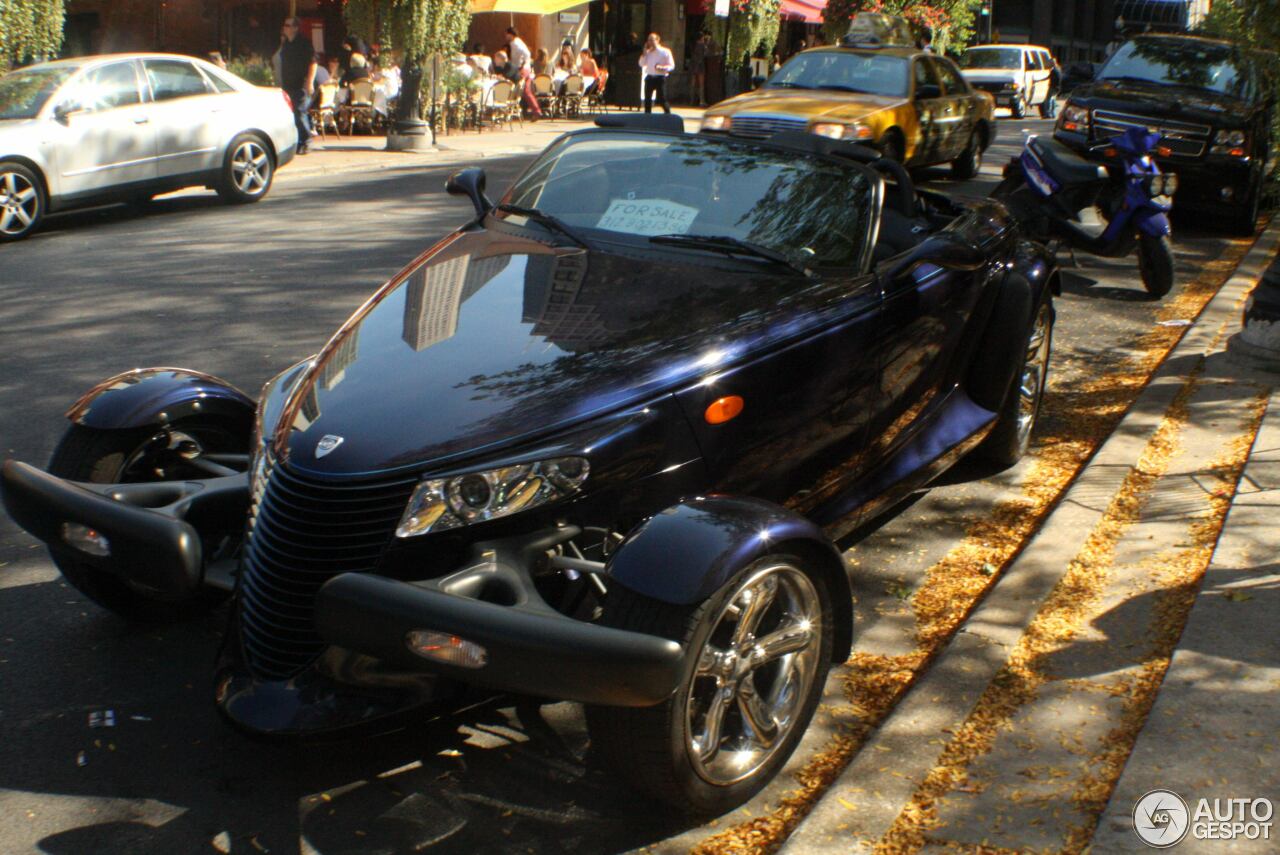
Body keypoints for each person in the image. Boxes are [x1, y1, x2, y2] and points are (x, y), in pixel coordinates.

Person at [278, 17, 316, 154]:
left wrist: (310, 81)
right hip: (287, 84)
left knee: (300, 112)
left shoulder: (303, 43)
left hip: (301, 83)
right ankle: (298, 141)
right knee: (292, 114)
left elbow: (313, 62)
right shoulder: (286, 43)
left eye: (288, 25)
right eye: (284, 25)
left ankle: (306, 140)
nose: (285, 27)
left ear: (295, 28)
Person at [638, 32, 674, 115]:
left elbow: (672, 65)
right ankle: (647, 116)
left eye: (652, 40)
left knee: (662, 99)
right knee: (647, 99)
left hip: (660, 77)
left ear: (657, 40)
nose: (650, 42)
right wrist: (644, 54)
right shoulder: (648, 52)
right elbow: (641, 64)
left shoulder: (665, 51)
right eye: (648, 40)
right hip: (650, 77)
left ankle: (668, 115)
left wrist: (663, 68)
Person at [690, 32, 710, 106]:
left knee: (693, 83)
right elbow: (707, 53)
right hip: (700, 65)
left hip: (693, 65)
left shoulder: (693, 45)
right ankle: (701, 101)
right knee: (701, 84)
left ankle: (691, 100)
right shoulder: (702, 45)